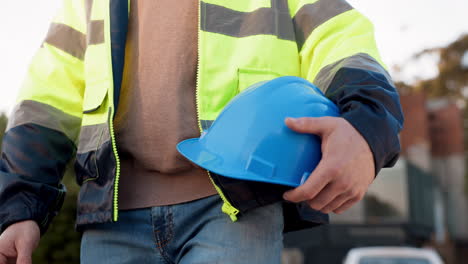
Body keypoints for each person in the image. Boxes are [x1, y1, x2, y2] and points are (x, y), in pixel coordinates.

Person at [0, 0, 403, 263]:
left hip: (235, 205)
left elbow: (342, 41)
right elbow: (48, 98)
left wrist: (365, 128)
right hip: (115, 217)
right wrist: (19, 206)